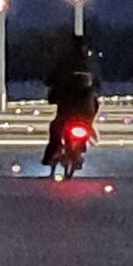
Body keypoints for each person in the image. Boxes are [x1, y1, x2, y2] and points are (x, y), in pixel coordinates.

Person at [41, 35, 101, 167]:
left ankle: (50, 154)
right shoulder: (89, 64)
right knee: (87, 122)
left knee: (56, 127)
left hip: (67, 107)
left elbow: (50, 80)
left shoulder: (64, 63)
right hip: (85, 108)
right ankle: (81, 146)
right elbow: (97, 84)